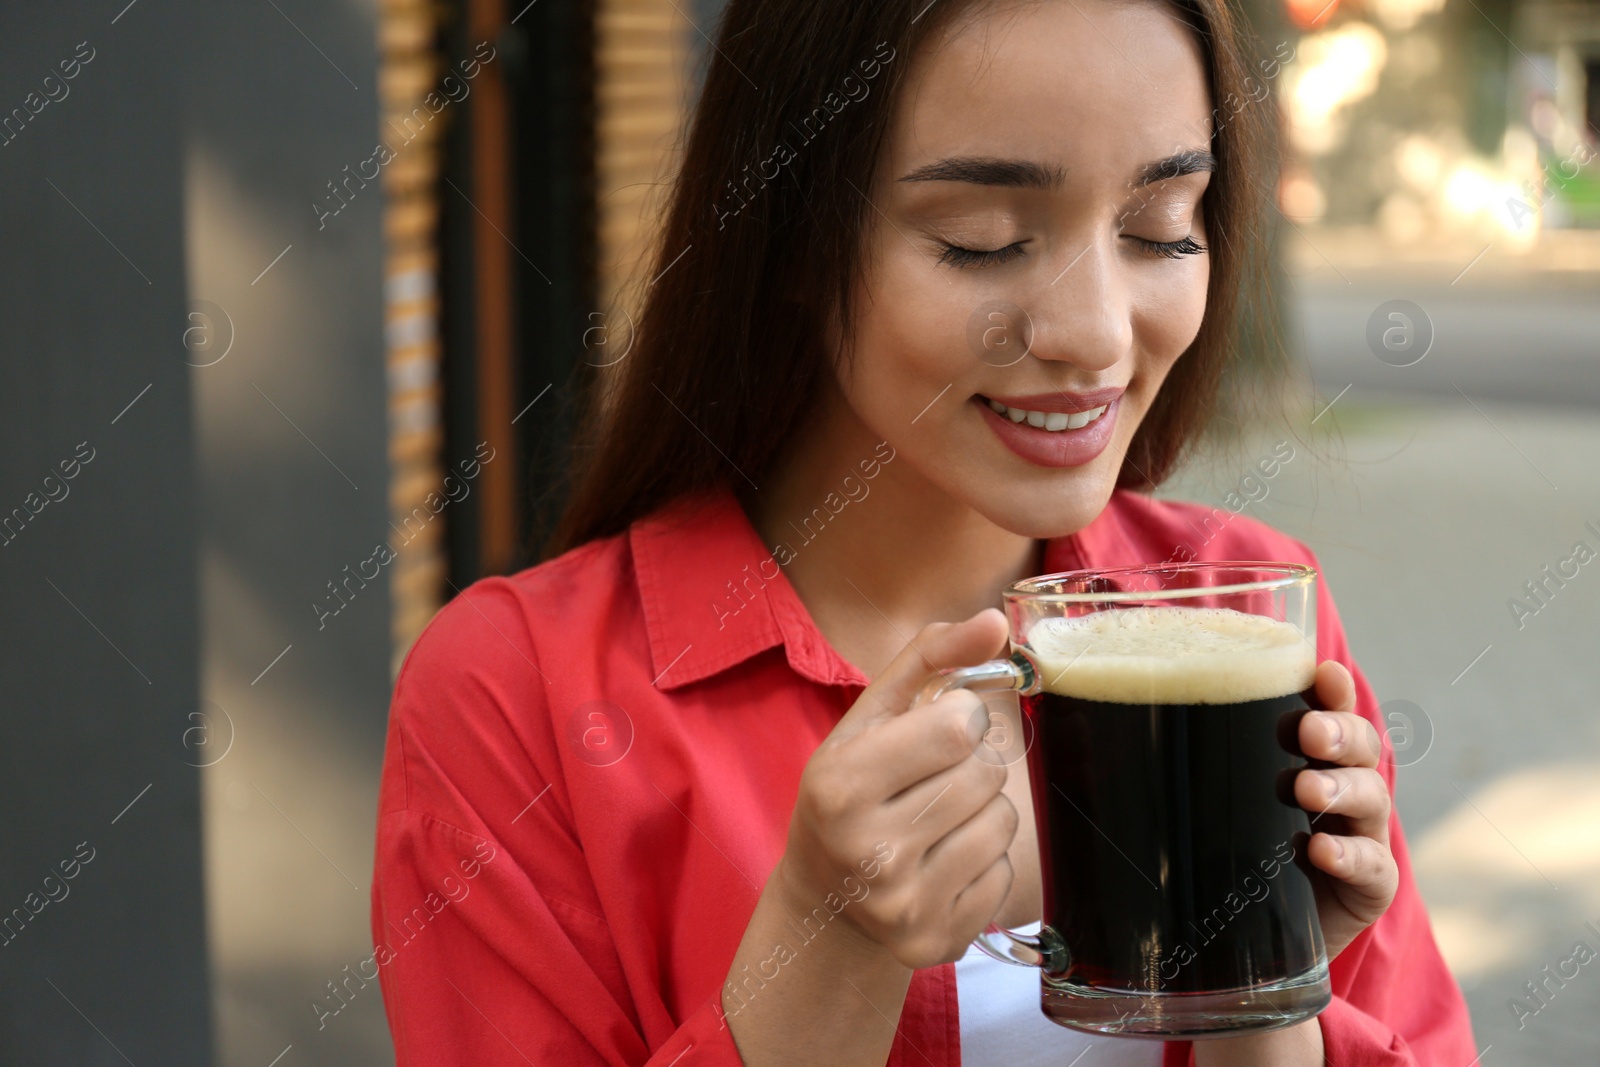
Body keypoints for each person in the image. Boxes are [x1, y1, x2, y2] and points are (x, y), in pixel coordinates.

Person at [369, 0, 1478, 1063]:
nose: (1093, 333)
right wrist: (825, 938)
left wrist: (1265, 988)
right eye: (983, 240)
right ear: (792, 237)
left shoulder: (1243, 606)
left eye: (1158, 227)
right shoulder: (512, 696)